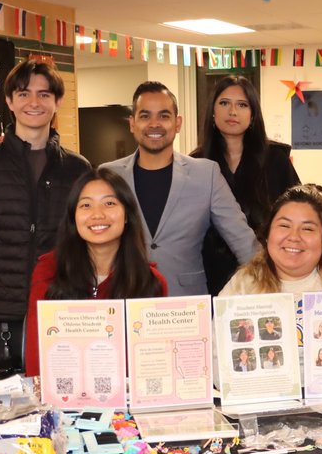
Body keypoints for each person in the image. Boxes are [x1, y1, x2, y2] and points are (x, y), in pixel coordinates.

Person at [0, 60, 90, 380]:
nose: (34, 103)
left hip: (61, 309)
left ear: (57, 102)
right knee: (2, 414)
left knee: (63, 405)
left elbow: (85, 242)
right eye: (24, 93)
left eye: (44, 95)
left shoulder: (78, 169)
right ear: (10, 101)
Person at [102, 82, 255, 296]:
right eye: (145, 116)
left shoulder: (206, 174)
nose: (154, 124)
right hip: (124, 300)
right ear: (132, 123)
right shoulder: (109, 175)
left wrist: (277, 288)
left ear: (178, 123)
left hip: (186, 307)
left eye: (164, 116)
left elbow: (243, 241)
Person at [219, 185, 322, 372]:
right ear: (267, 234)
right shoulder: (245, 283)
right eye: (284, 225)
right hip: (268, 396)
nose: (294, 237)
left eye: (307, 229)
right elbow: (216, 357)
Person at [24, 167, 167, 373]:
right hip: (64, 400)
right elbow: (37, 355)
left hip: (125, 400)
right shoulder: (48, 271)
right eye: (86, 205)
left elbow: (152, 363)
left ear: (127, 215)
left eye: (109, 203)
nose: (97, 215)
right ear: (73, 217)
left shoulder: (151, 282)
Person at [193, 75, 300, 293]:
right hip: (209, 275)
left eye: (242, 105)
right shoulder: (195, 164)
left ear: (252, 116)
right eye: (224, 103)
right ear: (212, 112)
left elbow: (298, 208)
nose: (232, 112)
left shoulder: (275, 159)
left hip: (265, 273)